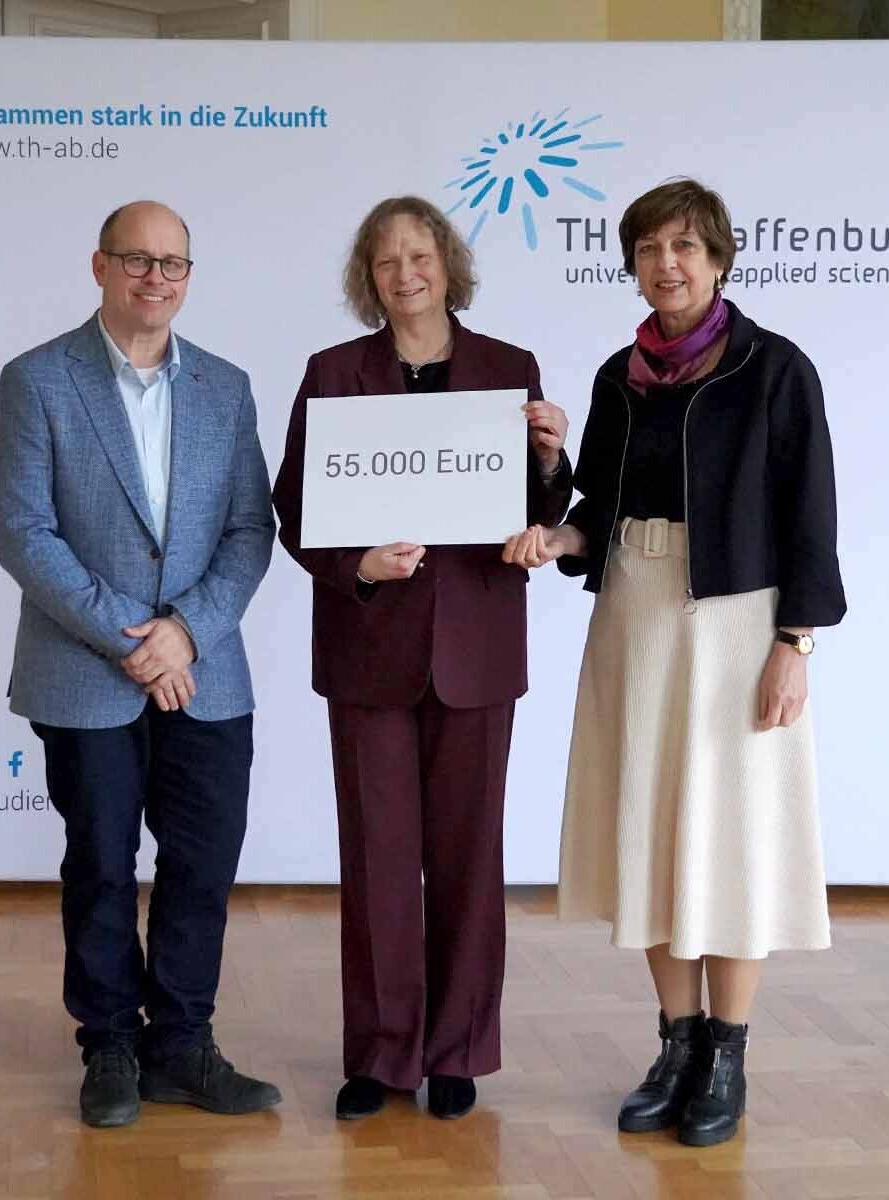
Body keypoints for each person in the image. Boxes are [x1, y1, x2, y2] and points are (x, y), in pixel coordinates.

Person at [503, 178, 846, 1147]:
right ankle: (676, 1042)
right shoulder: (622, 373)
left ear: (721, 257)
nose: (669, 264)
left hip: (738, 623)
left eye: (687, 247)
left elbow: (811, 517)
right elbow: (597, 506)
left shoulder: (775, 369)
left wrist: (795, 644)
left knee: (730, 842)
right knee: (649, 834)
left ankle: (727, 1057)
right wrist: (554, 518)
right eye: (651, 248)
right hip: (635, 618)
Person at [272, 196, 572, 1122]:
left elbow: (544, 507)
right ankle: (381, 1052)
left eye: (420, 255)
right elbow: (292, 510)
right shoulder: (332, 374)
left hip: (477, 648)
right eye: (386, 261)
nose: (406, 274)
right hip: (369, 650)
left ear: (449, 264)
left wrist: (555, 461)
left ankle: (457, 1053)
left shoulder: (507, 369)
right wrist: (352, 565)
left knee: (470, 857)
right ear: (368, 278)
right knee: (376, 860)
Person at [0, 200, 279, 1128]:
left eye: (174, 264)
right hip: (87, 677)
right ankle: (109, 1044)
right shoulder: (37, 379)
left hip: (208, 674)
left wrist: (185, 633)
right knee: (103, 865)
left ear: (189, 276)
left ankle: (183, 1045)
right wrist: (136, 642)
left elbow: (250, 529)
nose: (157, 279)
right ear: (100, 267)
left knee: (202, 865)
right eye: (138, 261)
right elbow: (25, 535)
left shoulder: (227, 388)